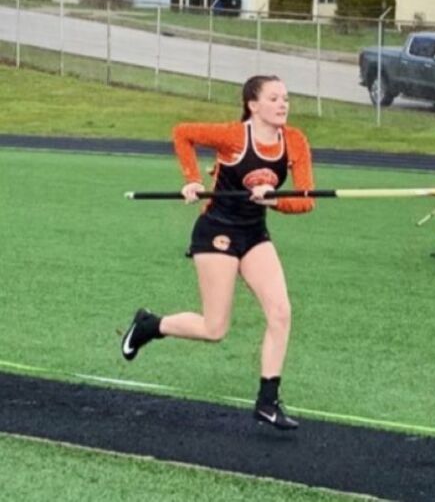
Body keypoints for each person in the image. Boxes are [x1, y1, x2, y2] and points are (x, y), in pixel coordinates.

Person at [121, 75, 315, 430]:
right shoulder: (233, 136)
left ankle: (267, 403)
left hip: (255, 233)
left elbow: (306, 201)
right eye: (274, 99)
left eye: (286, 98)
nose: (283, 104)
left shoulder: (295, 141)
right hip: (218, 231)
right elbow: (183, 133)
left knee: (281, 312)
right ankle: (151, 325)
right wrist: (192, 179)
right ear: (253, 105)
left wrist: (275, 200)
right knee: (214, 329)